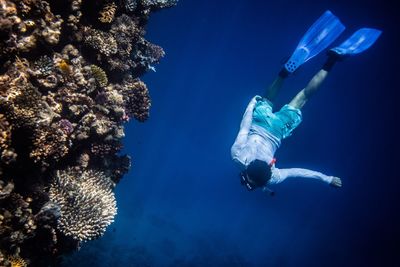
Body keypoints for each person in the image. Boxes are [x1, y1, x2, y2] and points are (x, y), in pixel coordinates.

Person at [231, 10, 381, 194]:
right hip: (260, 123)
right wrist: (252, 103)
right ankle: (284, 74)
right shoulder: (238, 156)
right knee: (268, 98)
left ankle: (332, 59)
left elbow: (299, 172)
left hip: (277, 131)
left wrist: (327, 179)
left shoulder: (273, 177)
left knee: (304, 96)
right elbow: (244, 127)